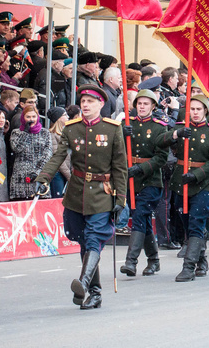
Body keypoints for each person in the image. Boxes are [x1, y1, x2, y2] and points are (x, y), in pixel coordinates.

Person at [34, 85, 128, 309]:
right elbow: (59, 156)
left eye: (90, 101)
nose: (85, 105)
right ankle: (94, 292)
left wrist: (121, 199)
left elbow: (120, 168)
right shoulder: (71, 128)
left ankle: (84, 284)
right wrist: (44, 177)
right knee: (83, 240)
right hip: (76, 192)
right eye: (83, 101)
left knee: (94, 238)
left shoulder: (113, 129)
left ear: (101, 105)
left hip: (102, 193)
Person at [167, 94, 209, 282]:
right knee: (186, 222)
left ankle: (188, 267)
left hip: (203, 184)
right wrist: (176, 134)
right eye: (191, 109)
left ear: (205, 111)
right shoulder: (181, 128)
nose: (195, 112)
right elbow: (160, 141)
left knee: (196, 223)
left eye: (198, 109)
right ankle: (202, 257)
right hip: (181, 183)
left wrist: (196, 175)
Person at [120, 90, 168, 278]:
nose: (142, 107)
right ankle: (154, 260)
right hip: (131, 179)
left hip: (150, 179)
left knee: (140, 215)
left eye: (146, 104)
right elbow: (117, 149)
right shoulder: (127, 125)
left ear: (153, 107)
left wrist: (141, 169)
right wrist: (121, 135)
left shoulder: (159, 128)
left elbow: (162, 158)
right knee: (143, 219)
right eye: (139, 103)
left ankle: (131, 262)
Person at [10, 106, 54, 201]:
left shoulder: (45, 133)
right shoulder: (16, 133)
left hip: (39, 174)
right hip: (21, 177)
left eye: (33, 117)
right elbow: (16, 148)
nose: (31, 119)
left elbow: (48, 153)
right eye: (28, 117)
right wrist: (25, 132)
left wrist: (37, 172)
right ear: (23, 118)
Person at [47, 106, 71, 198]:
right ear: (58, 119)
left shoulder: (66, 134)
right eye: (65, 115)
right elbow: (58, 158)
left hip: (65, 173)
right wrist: (69, 175)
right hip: (58, 174)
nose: (68, 117)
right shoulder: (52, 135)